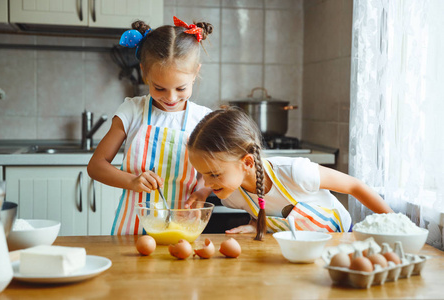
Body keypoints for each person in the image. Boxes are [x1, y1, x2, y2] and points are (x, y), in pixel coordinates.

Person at [87, 16, 214, 235]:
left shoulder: (203, 120)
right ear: (144, 72)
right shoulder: (131, 112)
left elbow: (211, 172)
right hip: (131, 231)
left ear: (195, 73)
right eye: (160, 88)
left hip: (182, 229)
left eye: (181, 89)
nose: (171, 97)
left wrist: (202, 192)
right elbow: (96, 166)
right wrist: (132, 181)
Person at [186, 107, 394, 241]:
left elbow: (354, 186)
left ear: (247, 162)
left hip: (340, 239)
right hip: (299, 251)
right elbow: (266, 211)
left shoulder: (295, 172)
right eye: (203, 174)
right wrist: (255, 226)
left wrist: (394, 223)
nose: (208, 182)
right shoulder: (232, 196)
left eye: (214, 174)